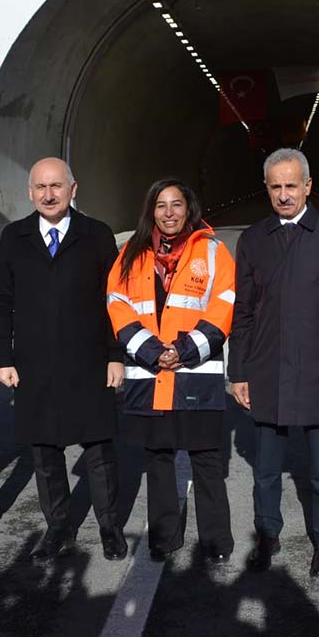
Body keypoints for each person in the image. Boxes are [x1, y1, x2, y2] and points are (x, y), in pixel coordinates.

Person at [229, 147, 319, 578]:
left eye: (292, 185)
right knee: (265, 470)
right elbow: (244, 312)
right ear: (266, 189)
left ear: (308, 186)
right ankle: (266, 534)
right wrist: (239, 373)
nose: (284, 195)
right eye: (276, 187)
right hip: (267, 370)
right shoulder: (253, 240)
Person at [0, 158, 127, 562]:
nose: (49, 194)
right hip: (34, 366)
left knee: (100, 452)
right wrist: (1, 357)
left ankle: (109, 527)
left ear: (73, 189)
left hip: (89, 362)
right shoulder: (14, 237)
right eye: (40, 187)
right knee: (45, 455)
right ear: (30, 193)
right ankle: (59, 529)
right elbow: (0, 302)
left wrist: (115, 356)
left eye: (56, 186)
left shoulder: (97, 235)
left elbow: (114, 301)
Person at [106, 178, 236, 563]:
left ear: (189, 208)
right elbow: (117, 301)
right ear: (151, 211)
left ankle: (216, 542)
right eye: (161, 206)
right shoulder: (131, 252)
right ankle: (164, 537)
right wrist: (150, 350)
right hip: (150, 375)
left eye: (176, 205)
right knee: (158, 458)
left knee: (206, 459)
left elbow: (224, 303)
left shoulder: (213, 251)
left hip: (195, 372)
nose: (169, 213)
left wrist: (182, 350)